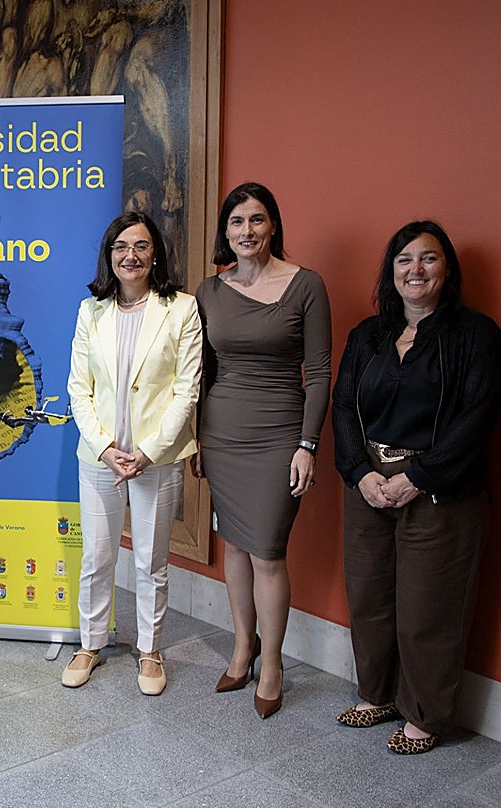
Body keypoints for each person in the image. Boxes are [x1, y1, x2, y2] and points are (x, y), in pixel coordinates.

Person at [332, 221, 501, 755]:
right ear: (391, 271)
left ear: (447, 269)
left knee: (428, 609)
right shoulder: (367, 335)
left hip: (438, 490)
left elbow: (477, 419)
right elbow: (343, 406)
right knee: (369, 599)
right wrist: (359, 472)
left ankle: (425, 716)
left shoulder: (477, 336)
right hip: (368, 485)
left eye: (428, 258)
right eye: (404, 259)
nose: (416, 269)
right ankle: (377, 695)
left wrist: (418, 478)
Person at [192, 182, 331, 718]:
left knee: (268, 553)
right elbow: (202, 373)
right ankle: (241, 648)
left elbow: (319, 374)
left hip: (280, 435)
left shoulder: (306, 285)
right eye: (236, 222)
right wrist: (196, 439)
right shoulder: (210, 290)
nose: (246, 231)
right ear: (225, 232)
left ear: (273, 225)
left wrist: (307, 444)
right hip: (222, 434)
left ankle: (271, 664)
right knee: (234, 545)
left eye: (256, 219)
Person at [62, 212, 203, 695]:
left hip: (155, 459)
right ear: (109, 255)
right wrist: (105, 448)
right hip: (99, 458)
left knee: (150, 562)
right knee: (97, 558)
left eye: (141, 246)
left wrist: (146, 451)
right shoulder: (91, 311)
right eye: (121, 247)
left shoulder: (181, 309)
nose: (131, 255)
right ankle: (90, 644)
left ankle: (150, 650)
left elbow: (186, 390)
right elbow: (78, 390)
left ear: (155, 253)